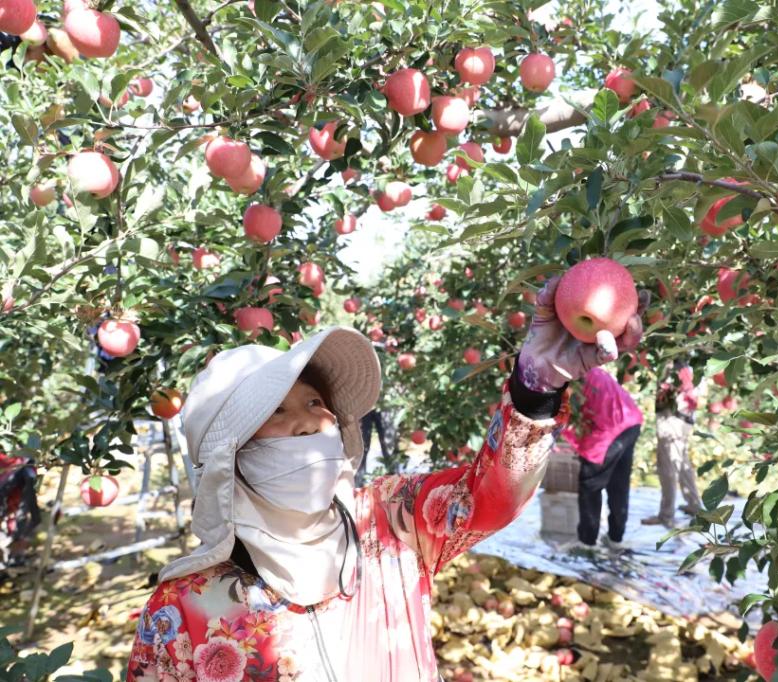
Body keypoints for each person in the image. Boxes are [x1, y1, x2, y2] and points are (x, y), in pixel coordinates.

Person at [125, 276, 644, 681]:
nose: (309, 421)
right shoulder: (182, 609)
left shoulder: (389, 520)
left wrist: (535, 391)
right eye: (275, 412)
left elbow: (489, 497)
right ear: (229, 458)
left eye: (315, 402)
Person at [562, 365, 643, 550]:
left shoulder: (566, 376)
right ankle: (616, 538)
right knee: (619, 484)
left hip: (608, 428)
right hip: (630, 422)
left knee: (590, 485)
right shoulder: (589, 366)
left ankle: (587, 543)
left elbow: (567, 414)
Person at [642, 362, 701, 527]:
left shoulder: (671, 364)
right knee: (682, 463)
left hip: (672, 419)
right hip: (682, 419)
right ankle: (694, 505)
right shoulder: (685, 365)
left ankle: (666, 514)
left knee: (668, 467)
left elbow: (670, 391)